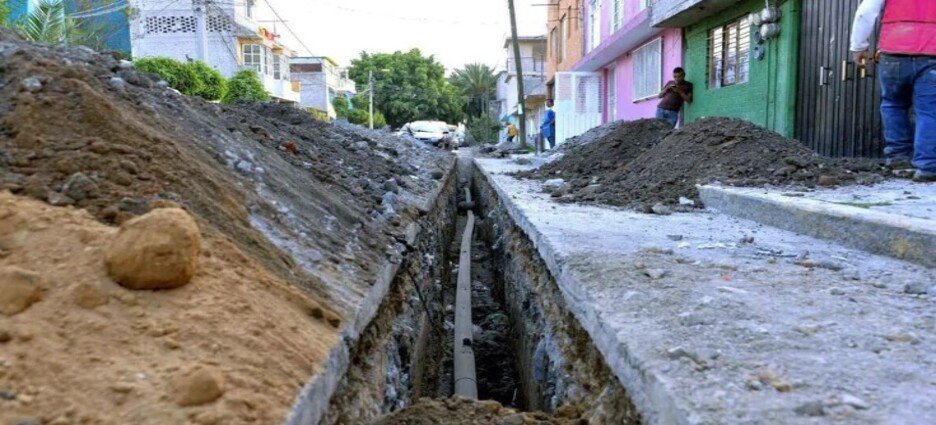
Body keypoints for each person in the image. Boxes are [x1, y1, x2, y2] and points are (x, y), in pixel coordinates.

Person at [851, 0, 936, 182]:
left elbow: (865, 13)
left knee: (893, 104)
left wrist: (858, 46)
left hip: (893, 53)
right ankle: (928, 166)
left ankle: (899, 160)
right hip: (931, 55)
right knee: (930, 111)